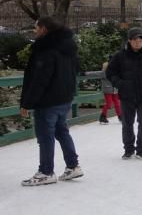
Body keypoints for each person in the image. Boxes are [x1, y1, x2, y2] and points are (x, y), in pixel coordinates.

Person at [19, 16, 83, 186]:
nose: (35, 31)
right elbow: (76, 70)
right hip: (64, 99)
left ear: (44, 29)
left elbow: (40, 79)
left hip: (48, 102)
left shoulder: (46, 50)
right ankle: (73, 165)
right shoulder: (68, 47)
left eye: (36, 28)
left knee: (45, 136)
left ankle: (46, 171)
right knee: (62, 132)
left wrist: (27, 102)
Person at [107, 27, 142, 160]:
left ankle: (141, 149)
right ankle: (128, 149)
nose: (138, 42)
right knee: (127, 123)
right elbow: (110, 72)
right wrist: (120, 84)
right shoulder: (120, 55)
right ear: (129, 41)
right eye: (135, 40)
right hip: (127, 95)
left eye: (140, 40)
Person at [85, 55, 121, 124]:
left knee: (117, 103)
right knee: (109, 103)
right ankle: (103, 117)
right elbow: (95, 73)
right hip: (107, 90)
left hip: (115, 90)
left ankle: (120, 116)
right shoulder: (104, 72)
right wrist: (85, 73)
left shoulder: (117, 72)